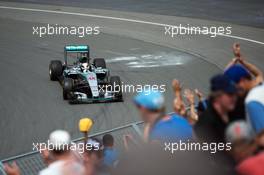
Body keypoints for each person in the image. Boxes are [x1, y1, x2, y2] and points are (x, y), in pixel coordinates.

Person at [224, 43, 264, 134]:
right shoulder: (260, 85)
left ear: (242, 81)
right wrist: (240, 61)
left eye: (235, 85)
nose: (235, 90)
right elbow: (258, 74)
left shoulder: (252, 101)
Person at [194, 74, 238, 143]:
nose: (234, 98)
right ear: (217, 96)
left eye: (235, 94)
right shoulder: (205, 123)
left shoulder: (234, 112)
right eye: (230, 94)